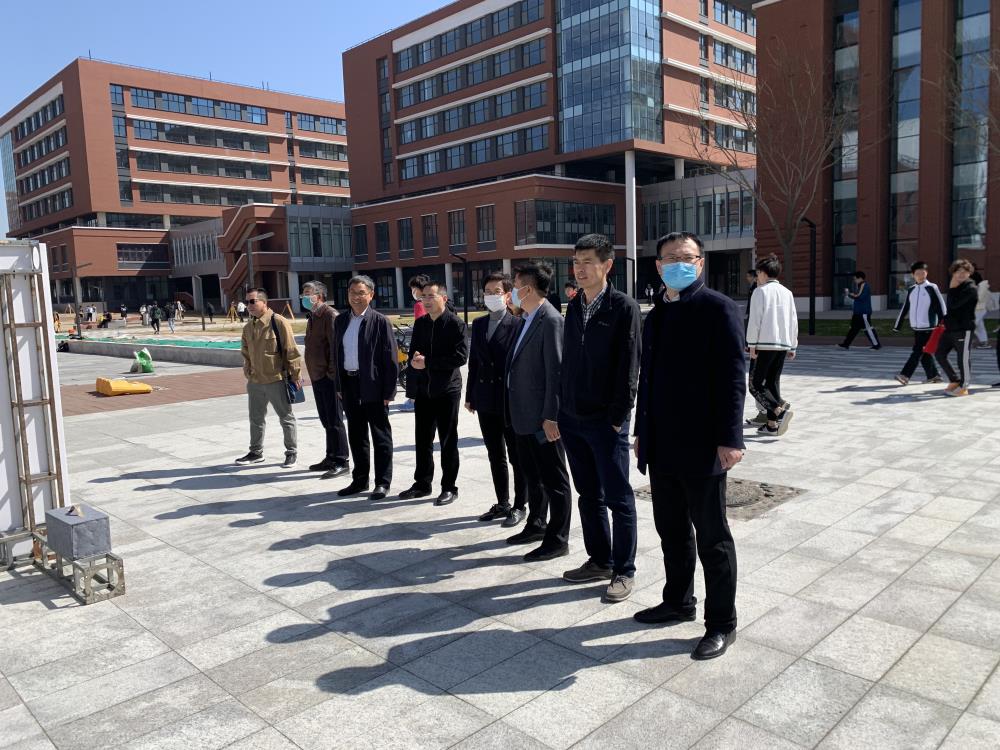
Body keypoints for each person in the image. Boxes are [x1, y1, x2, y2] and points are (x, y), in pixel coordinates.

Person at [633, 231, 746, 661]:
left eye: (687, 257)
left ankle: (721, 623)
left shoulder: (718, 308)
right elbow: (648, 380)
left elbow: (733, 377)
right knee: (672, 531)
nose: (678, 263)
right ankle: (678, 600)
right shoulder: (657, 313)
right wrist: (642, 431)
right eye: (670, 258)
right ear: (658, 266)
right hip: (662, 443)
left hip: (702, 444)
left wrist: (731, 438)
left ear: (700, 263)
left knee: (712, 538)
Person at [558, 234, 641, 603]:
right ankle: (599, 560)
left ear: (607, 265)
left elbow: (630, 366)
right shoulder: (575, 306)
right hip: (572, 417)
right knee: (588, 495)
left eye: (587, 262)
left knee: (618, 499)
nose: (580, 269)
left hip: (606, 422)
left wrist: (618, 417)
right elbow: (568, 361)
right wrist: (561, 408)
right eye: (576, 262)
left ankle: (624, 570)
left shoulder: (623, 307)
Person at [504, 262, 572, 561]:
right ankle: (536, 523)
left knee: (555, 480)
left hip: (543, 419)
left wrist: (551, 416)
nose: (511, 292)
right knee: (533, 475)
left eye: (515, 286)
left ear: (528, 289)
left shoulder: (551, 320)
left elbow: (556, 372)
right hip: (522, 415)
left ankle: (558, 539)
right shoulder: (526, 317)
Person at [467, 272, 528, 527]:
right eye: (487, 292)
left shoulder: (518, 324)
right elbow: (474, 363)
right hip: (485, 399)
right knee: (495, 454)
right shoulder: (479, 324)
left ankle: (520, 504)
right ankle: (502, 502)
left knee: (517, 456)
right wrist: (470, 396)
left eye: (497, 292)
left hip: (508, 400)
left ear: (507, 295)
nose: (491, 296)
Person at [401, 280, 468, 506]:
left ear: (444, 299)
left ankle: (449, 487)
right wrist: (414, 367)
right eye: (424, 297)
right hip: (424, 390)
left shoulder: (455, 324)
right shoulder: (421, 323)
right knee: (422, 439)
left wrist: (428, 362)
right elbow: (413, 354)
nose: (426, 301)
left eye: (431, 296)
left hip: (447, 390)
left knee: (447, 440)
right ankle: (422, 483)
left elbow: (460, 357)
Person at [334, 275, 398, 500]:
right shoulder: (341, 321)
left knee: (381, 437)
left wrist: (389, 391)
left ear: (371, 295)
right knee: (356, 435)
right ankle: (360, 480)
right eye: (352, 292)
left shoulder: (379, 321)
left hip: (374, 386)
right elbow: (337, 354)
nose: (356, 297)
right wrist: (339, 385)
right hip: (349, 385)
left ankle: (382, 482)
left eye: (361, 293)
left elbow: (390, 359)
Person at [236, 288, 301, 467]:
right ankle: (255, 452)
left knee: (286, 417)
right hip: (255, 381)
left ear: (264, 302)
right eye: (247, 302)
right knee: (255, 418)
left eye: (252, 301)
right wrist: (248, 371)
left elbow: (291, 350)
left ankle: (291, 453)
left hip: (276, 379)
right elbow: (245, 352)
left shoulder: (278, 322)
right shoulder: (248, 327)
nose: (249, 305)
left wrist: (295, 375)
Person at [301, 281, 350, 478]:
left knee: (335, 420)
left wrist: (331, 374)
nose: (304, 297)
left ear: (319, 296)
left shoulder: (330, 315)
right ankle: (330, 456)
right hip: (317, 376)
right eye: (303, 293)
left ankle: (341, 460)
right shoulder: (313, 316)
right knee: (326, 419)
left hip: (329, 378)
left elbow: (336, 348)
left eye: (308, 293)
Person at [746, 254, 798, 437]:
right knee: (772, 383)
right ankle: (771, 425)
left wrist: (751, 344)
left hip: (764, 344)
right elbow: (793, 320)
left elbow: (755, 320)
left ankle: (779, 411)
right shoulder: (787, 292)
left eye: (758, 273)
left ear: (763, 273)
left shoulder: (760, 292)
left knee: (755, 385)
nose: (757, 277)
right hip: (782, 344)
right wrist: (793, 345)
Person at [892, 261, 946, 386]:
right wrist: (897, 325)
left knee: (917, 352)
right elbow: (905, 308)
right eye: (918, 273)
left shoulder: (932, 287)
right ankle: (934, 376)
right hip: (916, 327)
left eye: (923, 272)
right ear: (913, 275)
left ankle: (905, 375)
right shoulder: (912, 289)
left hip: (929, 327)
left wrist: (944, 322)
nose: (921, 275)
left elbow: (941, 306)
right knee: (924, 353)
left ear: (926, 273)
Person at [936, 259, 978, 397]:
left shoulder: (970, 288)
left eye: (964, 271)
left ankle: (964, 386)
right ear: (953, 273)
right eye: (958, 271)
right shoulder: (956, 286)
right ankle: (955, 380)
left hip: (964, 328)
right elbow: (950, 307)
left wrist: (952, 289)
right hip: (950, 328)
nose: (961, 274)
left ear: (969, 273)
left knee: (963, 358)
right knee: (940, 354)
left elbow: (954, 305)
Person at [401, 275, 430, 413]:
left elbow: (420, 324)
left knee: (414, 371)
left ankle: (413, 401)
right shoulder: (431, 302)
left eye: (413, 289)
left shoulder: (419, 304)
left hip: (420, 345)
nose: (412, 292)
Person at [838, 271, 881, 350]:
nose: (854, 281)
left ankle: (877, 345)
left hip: (863, 312)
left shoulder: (864, 285)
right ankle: (846, 344)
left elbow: (859, 296)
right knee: (853, 329)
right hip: (858, 312)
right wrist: (850, 295)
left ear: (860, 278)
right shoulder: (860, 285)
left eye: (855, 279)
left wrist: (849, 294)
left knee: (868, 329)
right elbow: (857, 296)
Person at [973, 271, 995, 348]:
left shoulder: (981, 287)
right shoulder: (981, 286)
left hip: (979, 309)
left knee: (972, 325)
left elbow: (979, 298)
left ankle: (962, 342)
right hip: (979, 309)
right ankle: (984, 342)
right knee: (979, 326)